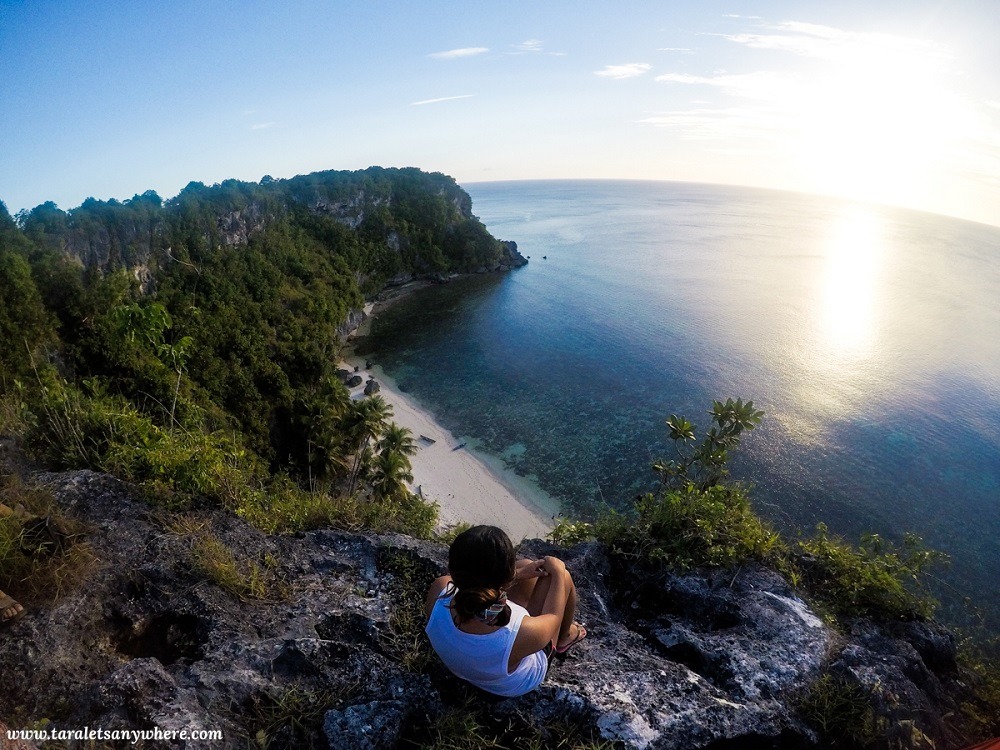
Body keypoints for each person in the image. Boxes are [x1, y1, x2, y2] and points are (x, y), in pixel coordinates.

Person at [424, 525, 587, 697]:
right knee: (556, 578)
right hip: (510, 683)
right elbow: (554, 616)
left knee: (525, 565)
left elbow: (475, 583)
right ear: (505, 576)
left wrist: (518, 574)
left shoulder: (439, 589)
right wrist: (559, 573)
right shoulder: (519, 632)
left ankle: (524, 574)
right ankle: (565, 637)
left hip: (462, 662)